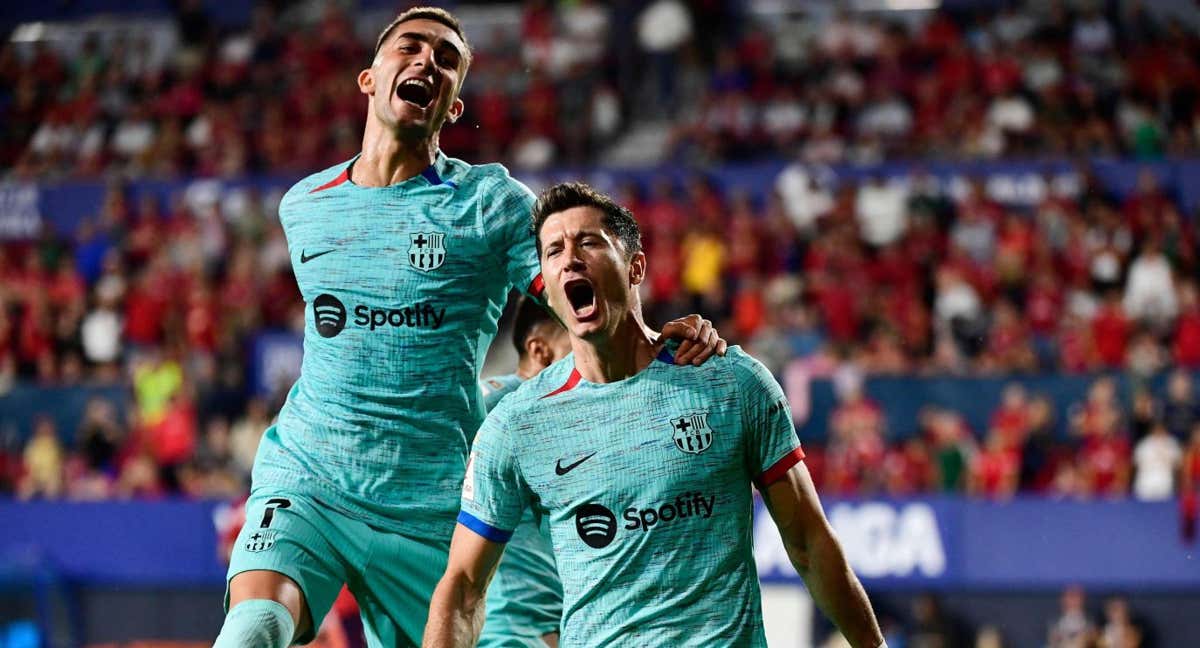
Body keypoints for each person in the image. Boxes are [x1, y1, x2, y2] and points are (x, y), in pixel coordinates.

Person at [214, 9, 724, 648]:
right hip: (309, 479)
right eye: (412, 47)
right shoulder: (304, 207)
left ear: (453, 107)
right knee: (255, 626)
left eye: (448, 58)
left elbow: (580, 301)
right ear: (369, 79)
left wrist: (654, 338)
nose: (429, 60)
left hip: (431, 505)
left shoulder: (490, 205)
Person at [424, 183, 883, 647]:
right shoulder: (517, 422)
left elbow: (807, 541)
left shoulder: (731, 382)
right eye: (554, 250)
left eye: (589, 242)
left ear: (635, 267)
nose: (571, 259)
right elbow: (463, 588)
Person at [477, 297, 571, 647]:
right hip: (506, 632)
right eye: (579, 346)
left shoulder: (573, 420)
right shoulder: (485, 411)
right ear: (540, 351)